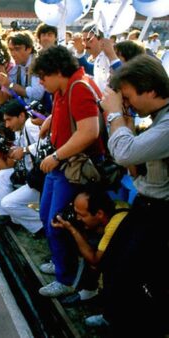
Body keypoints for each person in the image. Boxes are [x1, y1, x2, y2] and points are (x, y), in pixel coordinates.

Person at [99, 54, 169, 337]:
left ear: (150, 90)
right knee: (115, 265)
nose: (126, 102)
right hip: (146, 206)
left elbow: (124, 152)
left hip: (160, 213)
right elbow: (126, 155)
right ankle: (119, 319)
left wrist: (115, 114)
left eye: (128, 96)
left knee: (137, 278)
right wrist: (123, 120)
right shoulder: (157, 119)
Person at [32, 45, 105, 298]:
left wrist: (56, 155)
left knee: (58, 222)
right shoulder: (64, 88)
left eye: (43, 76)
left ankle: (67, 278)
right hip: (61, 164)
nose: (41, 82)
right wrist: (52, 119)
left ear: (58, 71)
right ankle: (60, 260)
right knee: (46, 216)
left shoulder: (79, 88)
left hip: (71, 166)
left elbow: (89, 131)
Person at [51, 186, 129, 328]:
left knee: (90, 249)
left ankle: (111, 316)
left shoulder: (117, 224)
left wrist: (73, 229)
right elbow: (97, 228)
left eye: (81, 214)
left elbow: (95, 261)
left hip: (135, 270)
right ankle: (90, 291)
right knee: (86, 240)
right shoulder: (112, 208)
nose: (78, 218)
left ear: (99, 213)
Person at [0, 99, 42, 234]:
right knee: (2, 176)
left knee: (8, 203)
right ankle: (6, 217)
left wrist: (25, 150)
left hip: (41, 180)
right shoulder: (18, 129)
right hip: (29, 173)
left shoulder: (31, 125)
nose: (7, 125)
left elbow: (45, 145)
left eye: (9, 120)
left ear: (21, 116)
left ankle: (42, 225)